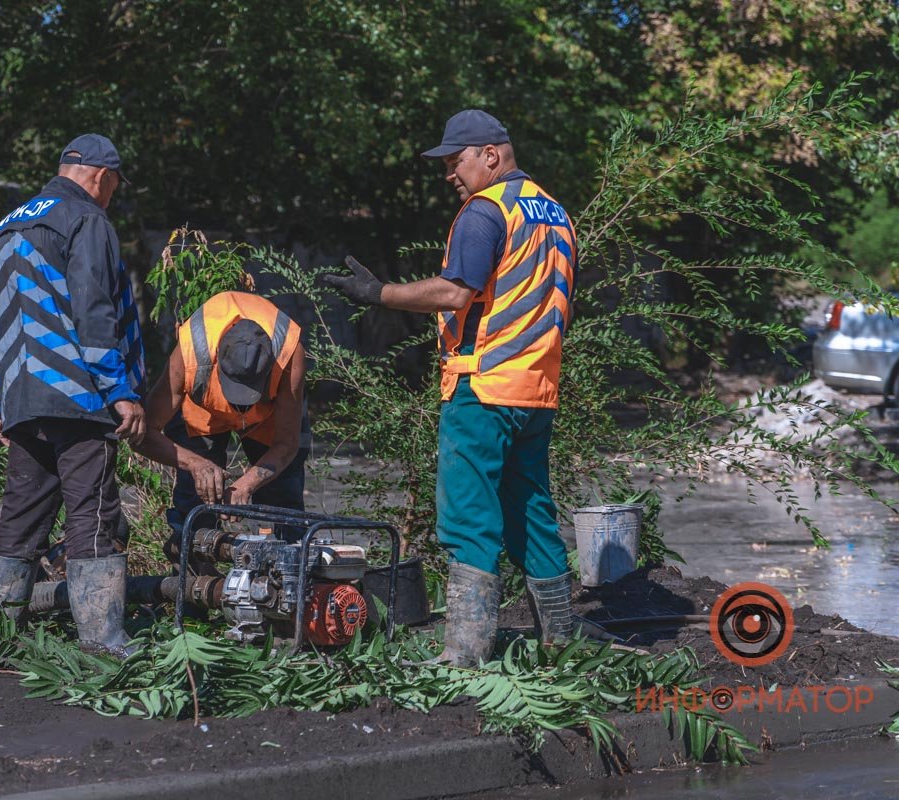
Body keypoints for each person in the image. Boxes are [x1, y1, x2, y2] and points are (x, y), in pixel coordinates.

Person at [322, 109, 608, 665]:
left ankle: (467, 651)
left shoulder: (485, 210)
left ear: (491, 156)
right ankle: (559, 635)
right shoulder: (553, 211)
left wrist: (378, 293)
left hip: (483, 387)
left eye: (457, 161)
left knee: (468, 515)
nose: (449, 174)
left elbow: (456, 293)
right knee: (528, 508)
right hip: (536, 389)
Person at [0, 133, 146, 657]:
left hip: (23, 401)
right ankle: (104, 639)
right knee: (92, 512)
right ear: (101, 176)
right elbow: (95, 308)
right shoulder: (86, 219)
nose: (112, 194)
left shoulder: (4, 229)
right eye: (114, 184)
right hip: (78, 396)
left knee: (21, 515)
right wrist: (119, 390)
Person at [136, 291, 309, 543]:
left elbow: (287, 443)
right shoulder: (190, 353)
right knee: (197, 498)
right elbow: (144, 434)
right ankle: (195, 561)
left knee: (284, 502)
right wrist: (196, 464)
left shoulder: (290, 355)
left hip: (267, 418)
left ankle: (288, 564)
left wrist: (246, 483)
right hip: (203, 411)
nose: (239, 404)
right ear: (216, 361)